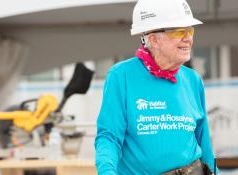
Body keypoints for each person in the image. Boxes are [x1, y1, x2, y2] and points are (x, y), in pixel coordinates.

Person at [94, 0, 219, 174]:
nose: (188, 38)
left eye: (190, 30)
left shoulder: (193, 79)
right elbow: (109, 137)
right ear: (154, 39)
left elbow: (203, 140)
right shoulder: (121, 75)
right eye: (179, 31)